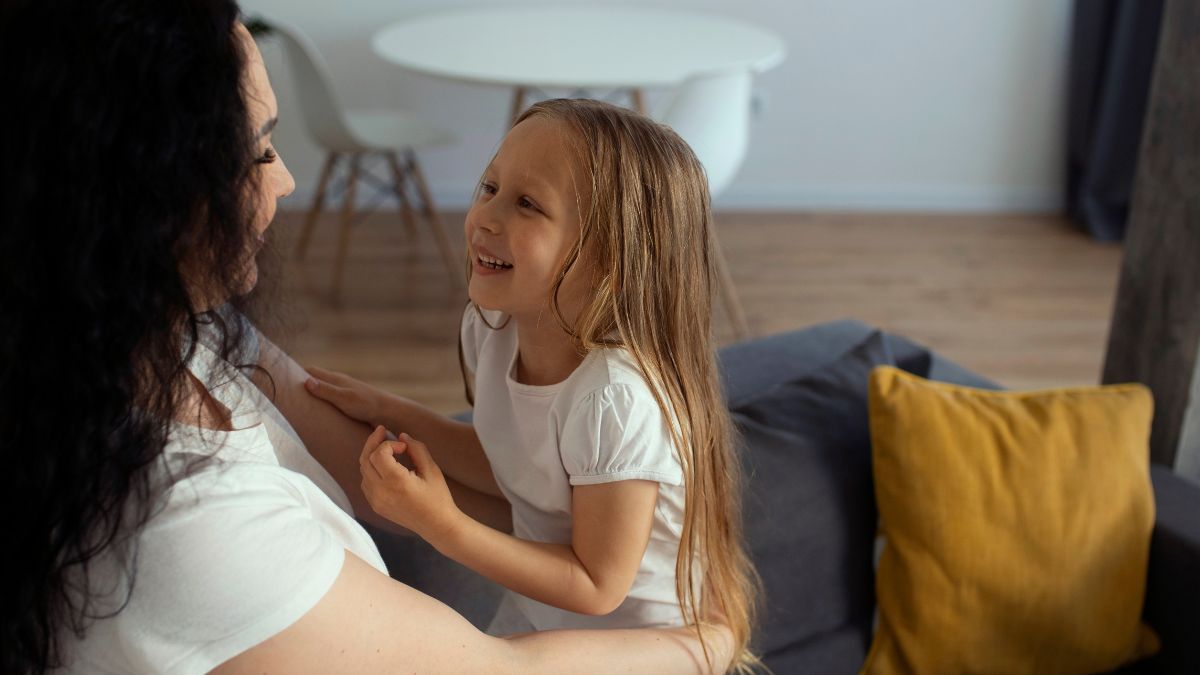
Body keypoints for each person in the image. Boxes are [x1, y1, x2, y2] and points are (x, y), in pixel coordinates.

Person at [0, 2, 734, 673]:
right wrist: (709, 646)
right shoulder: (192, 531)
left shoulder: (154, 328)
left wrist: (401, 424)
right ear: (149, 194)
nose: (286, 180)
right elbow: (501, 662)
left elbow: (535, 499)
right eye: (259, 151)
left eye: (528, 203)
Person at [304, 99, 759, 669]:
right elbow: (516, 462)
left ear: (610, 260)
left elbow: (598, 585)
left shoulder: (614, 398)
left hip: (642, 643)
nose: (485, 217)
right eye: (489, 187)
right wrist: (390, 409)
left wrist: (441, 526)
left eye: (526, 204)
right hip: (547, 611)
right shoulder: (492, 328)